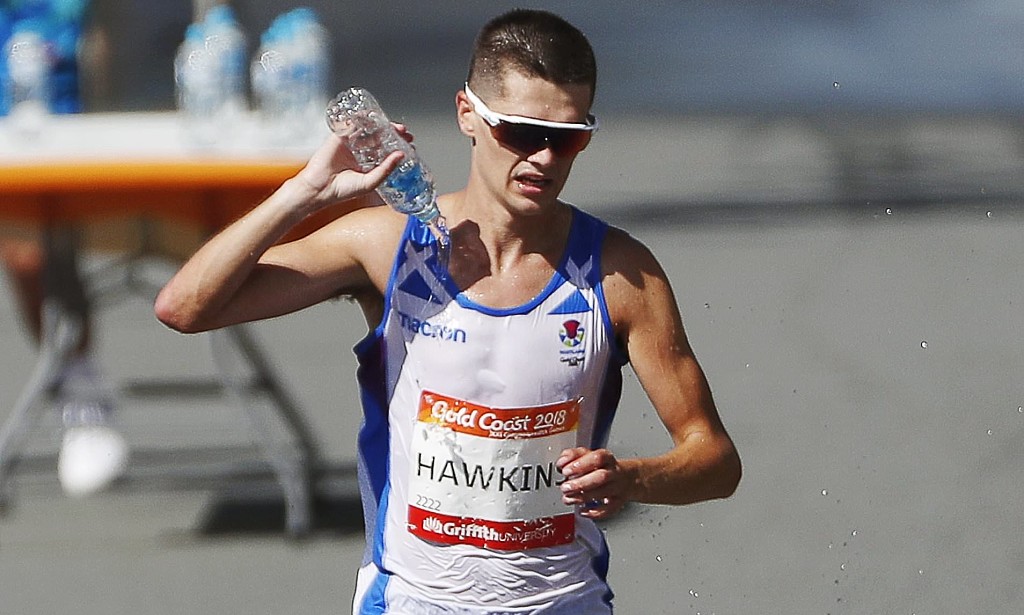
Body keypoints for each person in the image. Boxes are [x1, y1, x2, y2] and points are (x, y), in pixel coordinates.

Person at [155, 9, 741, 613]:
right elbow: (184, 307)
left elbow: (715, 459)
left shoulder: (621, 274)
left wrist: (634, 478)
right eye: (521, 132)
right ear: (467, 114)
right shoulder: (388, 247)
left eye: (567, 137)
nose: (544, 158)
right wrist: (301, 195)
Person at [1, 0, 128, 497]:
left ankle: (82, 393)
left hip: (70, 109)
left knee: (39, 254)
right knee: (28, 257)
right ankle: (78, 388)